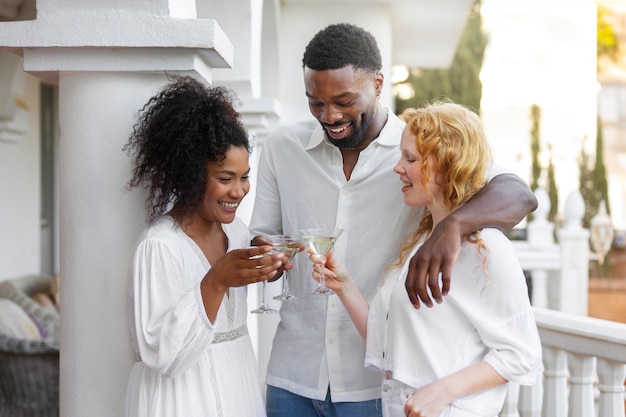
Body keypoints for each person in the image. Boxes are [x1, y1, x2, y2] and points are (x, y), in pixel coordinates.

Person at [249, 23, 537, 417]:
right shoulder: (282, 149)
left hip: (376, 385)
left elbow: (518, 193)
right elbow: (263, 238)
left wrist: (451, 227)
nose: (329, 115)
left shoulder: (422, 146)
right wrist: (267, 260)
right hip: (293, 373)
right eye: (315, 102)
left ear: (379, 83)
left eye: (345, 100)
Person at [309, 101, 542, 417]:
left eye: (411, 158)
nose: (398, 167)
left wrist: (440, 392)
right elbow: (387, 343)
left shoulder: (486, 248)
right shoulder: (422, 240)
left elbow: (522, 354)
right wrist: (344, 286)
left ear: (447, 166)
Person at [123, 75, 287, 417]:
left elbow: (232, 307)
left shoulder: (238, 232)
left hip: (237, 383)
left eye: (244, 177)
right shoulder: (160, 247)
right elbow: (162, 354)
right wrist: (216, 280)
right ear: (189, 175)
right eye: (225, 179)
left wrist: (265, 265)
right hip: (182, 397)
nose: (239, 191)